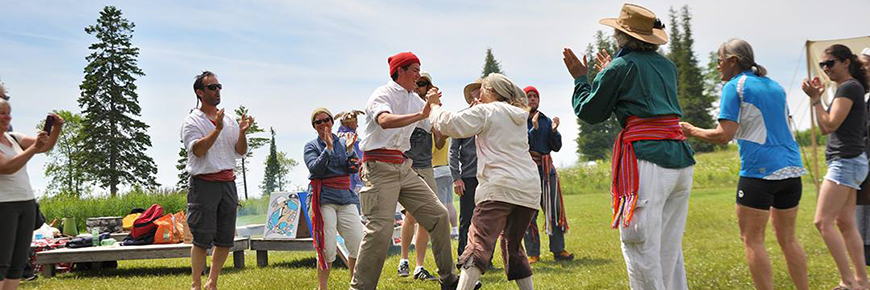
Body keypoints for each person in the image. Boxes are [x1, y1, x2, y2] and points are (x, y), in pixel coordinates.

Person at [564, 4, 695, 289]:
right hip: (681, 159)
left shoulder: (621, 67)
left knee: (640, 244)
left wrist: (580, 79)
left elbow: (590, 111)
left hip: (649, 159)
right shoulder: (666, 65)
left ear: (621, 36)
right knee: (668, 247)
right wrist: (610, 72)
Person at [681, 39, 809, 290]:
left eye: (719, 60)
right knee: (788, 240)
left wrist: (690, 130)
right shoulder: (776, 86)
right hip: (792, 170)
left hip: (759, 173)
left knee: (753, 241)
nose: (717, 66)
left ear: (732, 61)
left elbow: (723, 135)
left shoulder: (734, 86)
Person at [351, 52, 472, 290]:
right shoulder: (382, 94)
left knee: (438, 215)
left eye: (419, 70)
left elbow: (437, 129)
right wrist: (422, 113)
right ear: (400, 71)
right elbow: (384, 120)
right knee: (380, 232)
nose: (419, 75)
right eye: (415, 69)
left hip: (403, 166)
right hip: (378, 166)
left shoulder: (415, 100)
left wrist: (448, 112)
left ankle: (449, 280)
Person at [429, 73, 538, 290]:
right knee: (513, 246)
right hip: (529, 190)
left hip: (498, 187)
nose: (479, 93)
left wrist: (433, 107)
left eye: (484, 89)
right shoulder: (518, 114)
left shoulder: (486, 111)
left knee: (477, 243)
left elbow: (450, 125)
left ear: (493, 93)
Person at [803, 44, 870, 290]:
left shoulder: (849, 87)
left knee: (822, 222)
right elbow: (824, 128)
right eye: (822, 65)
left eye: (830, 63)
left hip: (846, 162)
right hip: (850, 162)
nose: (825, 69)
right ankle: (862, 282)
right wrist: (817, 101)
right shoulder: (849, 88)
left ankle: (848, 281)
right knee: (845, 223)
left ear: (845, 62)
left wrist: (816, 99)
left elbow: (829, 124)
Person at [180, 71, 253, 290]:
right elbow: (199, 151)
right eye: (212, 87)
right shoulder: (192, 121)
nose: (217, 91)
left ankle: (212, 282)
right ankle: (195, 284)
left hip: (227, 184)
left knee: (224, 238)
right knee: (201, 238)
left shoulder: (229, 119)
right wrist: (217, 129)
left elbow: (240, 151)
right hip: (204, 185)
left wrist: (241, 132)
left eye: (219, 86)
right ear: (200, 92)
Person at [0, 98, 62, 290]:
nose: (7, 116)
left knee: (18, 263)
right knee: (2, 261)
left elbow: (44, 146)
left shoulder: (13, 138)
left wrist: (57, 128)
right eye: (2, 112)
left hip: (26, 203)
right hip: (4, 205)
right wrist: (34, 148)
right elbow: (7, 167)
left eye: (8, 112)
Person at [304, 107, 364, 290]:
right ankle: (323, 288)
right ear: (314, 126)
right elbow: (315, 169)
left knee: (358, 243)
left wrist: (352, 156)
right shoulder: (311, 146)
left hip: (346, 197)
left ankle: (355, 285)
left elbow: (353, 168)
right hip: (323, 200)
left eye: (326, 120)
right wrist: (328, 149)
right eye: (318, 121)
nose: (323, 124)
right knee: (327, 248)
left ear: (332, 121)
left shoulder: (344, 143)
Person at [396, 72, 445, 281]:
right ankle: (404, 260)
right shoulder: (406, 105)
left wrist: (442, 127)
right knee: (411, 215)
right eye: (417, 82)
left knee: (427, 216)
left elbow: (440, 143)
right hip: (408, 165)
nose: (419, 86)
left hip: (426, 166)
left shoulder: (433, 111)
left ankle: (419, 266)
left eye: (423, 84)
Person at [522, 85, 573, 263]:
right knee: (529, 211)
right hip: (528, 170)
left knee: (554, 209)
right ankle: (533, 253)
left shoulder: (546, 120)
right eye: (529, 96)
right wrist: (533, 128)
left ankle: (559, 250)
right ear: (523, 99)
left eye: (535, 96)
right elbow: (520, 145)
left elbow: (556, 147)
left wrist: (553, 131)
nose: (533, 99)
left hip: (547, 170)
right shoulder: (518, 121)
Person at [451, 79, 482, 260]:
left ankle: (484, 257)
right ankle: (464, 257)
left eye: (482, 90)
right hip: (469, 177)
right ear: (470, 96)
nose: (479, 94)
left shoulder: (491, 117)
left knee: (487, 220)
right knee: (466, 220)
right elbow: (453, 150)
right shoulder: (462, 118)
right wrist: (456, 177)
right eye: (476, 91)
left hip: (489, 176)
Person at [335, 110, 365, 196]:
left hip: (337, 183)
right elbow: (357, 161)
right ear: (350, 124)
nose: (358, 125)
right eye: (356, 123)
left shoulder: (334, 139)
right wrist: (359, 182)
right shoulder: (354, 140)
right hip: (352, 184)